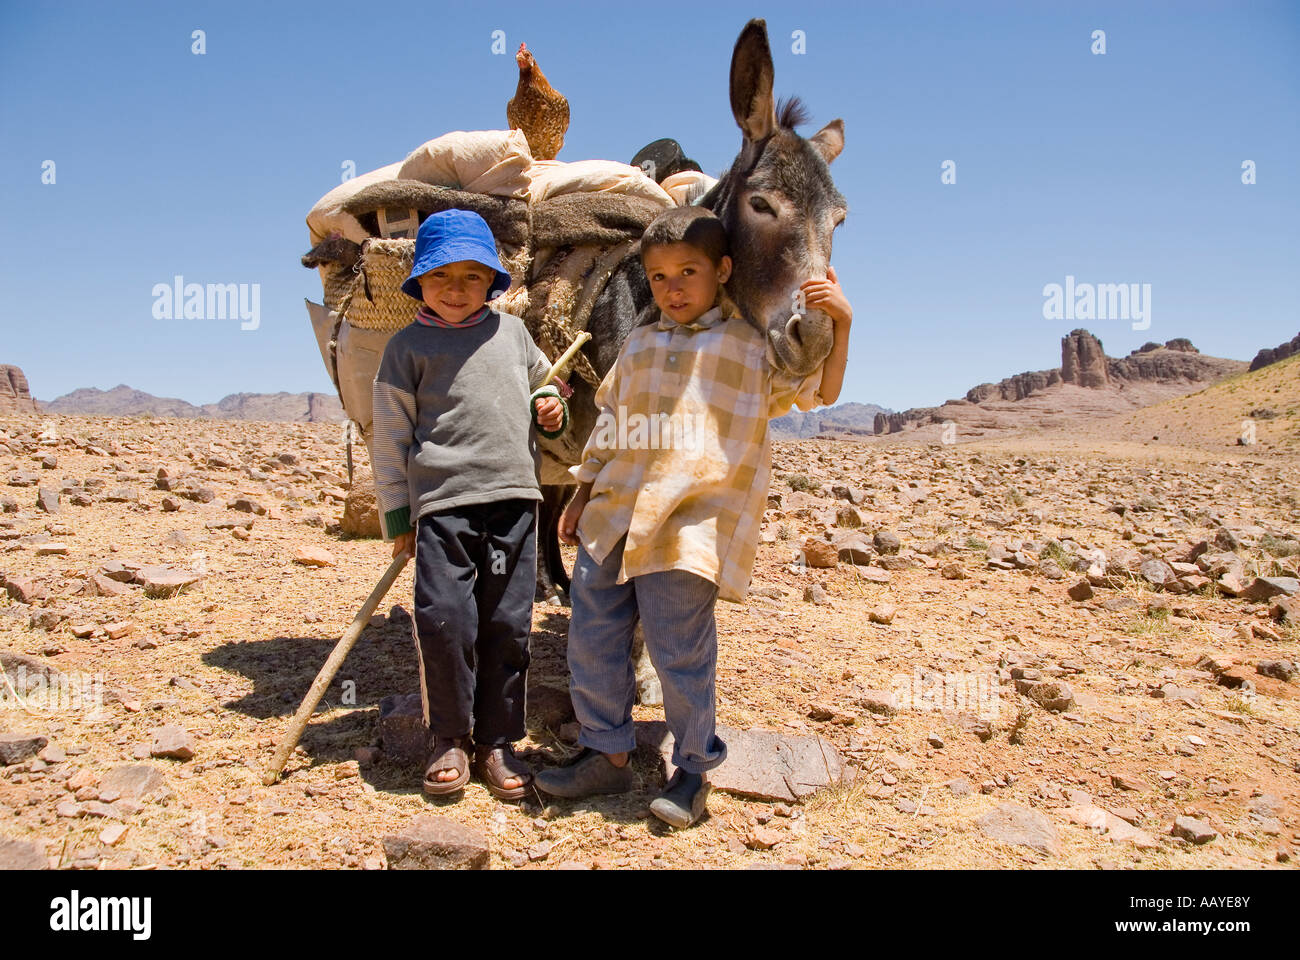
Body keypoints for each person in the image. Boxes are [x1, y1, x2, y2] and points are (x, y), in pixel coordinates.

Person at [536, 206, 851, 827]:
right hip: (614, 513)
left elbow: (823, 392)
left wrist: (843, 320)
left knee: (679, 648)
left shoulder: (750, 348)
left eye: (688, 272)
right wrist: (578, 495)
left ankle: (692, 769)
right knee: (592, 635)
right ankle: (606, 751)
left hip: (691, 526)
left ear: (722, 270)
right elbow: (609, 425)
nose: (672, 288)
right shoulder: (639, 344)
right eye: (657, 278)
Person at [371, 209, 568, 800]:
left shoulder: (514, 336)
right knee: (445, 619)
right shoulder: (405, 348)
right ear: (419, 282)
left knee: (507, 624)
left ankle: (497, 742)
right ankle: (449, 736)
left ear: (491, 281)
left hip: (513, 504)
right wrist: (399, 514)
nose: (456, 290)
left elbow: (545, 388)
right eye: (441, 277)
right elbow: (389, 437)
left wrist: (550, 407)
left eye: (471, 276)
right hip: (443, 509)